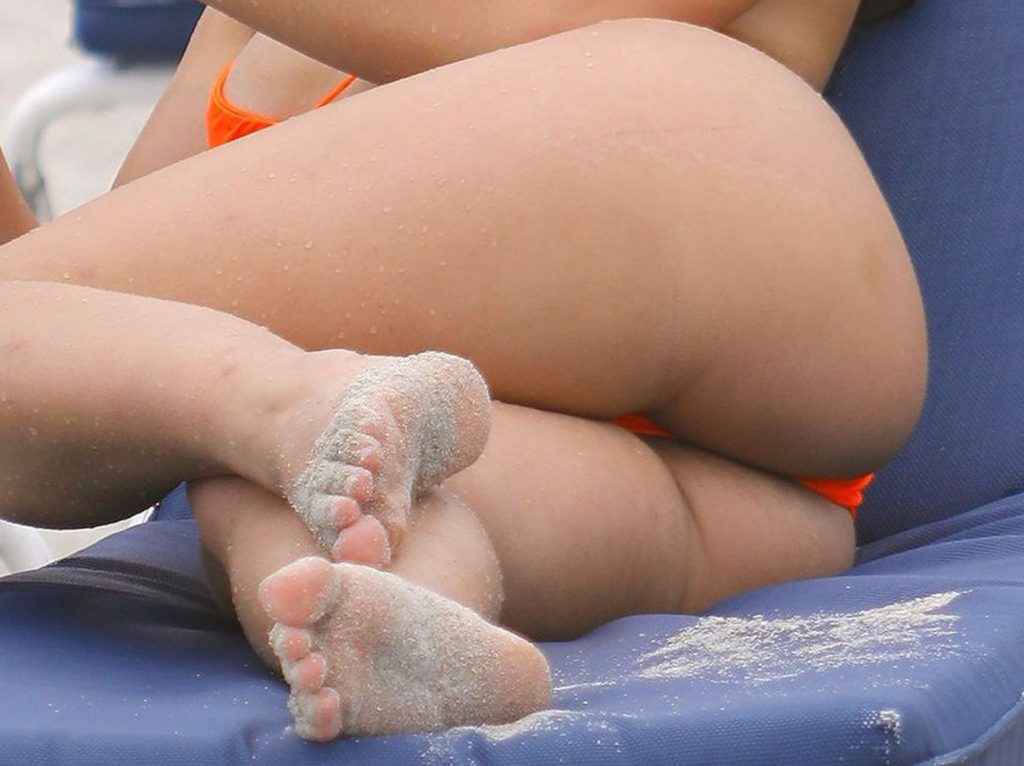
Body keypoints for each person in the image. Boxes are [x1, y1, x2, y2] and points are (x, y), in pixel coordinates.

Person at [0, 0, 926, 740]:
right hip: (702, 506)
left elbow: (535, 33)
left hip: (718, 238)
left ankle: (276, 398)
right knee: (269, 479)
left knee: (209, 404)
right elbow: (104, 322)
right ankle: (408, 614)